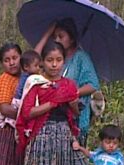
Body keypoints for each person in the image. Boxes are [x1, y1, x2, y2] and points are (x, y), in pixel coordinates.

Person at [16, 41, 91, 165]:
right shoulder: (36, 83)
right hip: (42, 135)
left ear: (64, 62)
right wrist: (52, 102)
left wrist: (72, 101)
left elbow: (74, 113)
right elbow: (27, 112)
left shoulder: (69, 84)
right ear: (42, 62)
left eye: (58, 60)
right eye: (50, 60)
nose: (54, 64)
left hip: (64, 135)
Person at [36, 18, 100, 152]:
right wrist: (47, 34)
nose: (57, 40)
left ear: (71, 39)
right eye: (55, 37)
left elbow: (93, 84)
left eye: (61, 36)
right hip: (51, 118)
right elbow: (32, 61)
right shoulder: (54, 58)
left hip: (74, 116)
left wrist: (72, 93)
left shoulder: (81, 58)